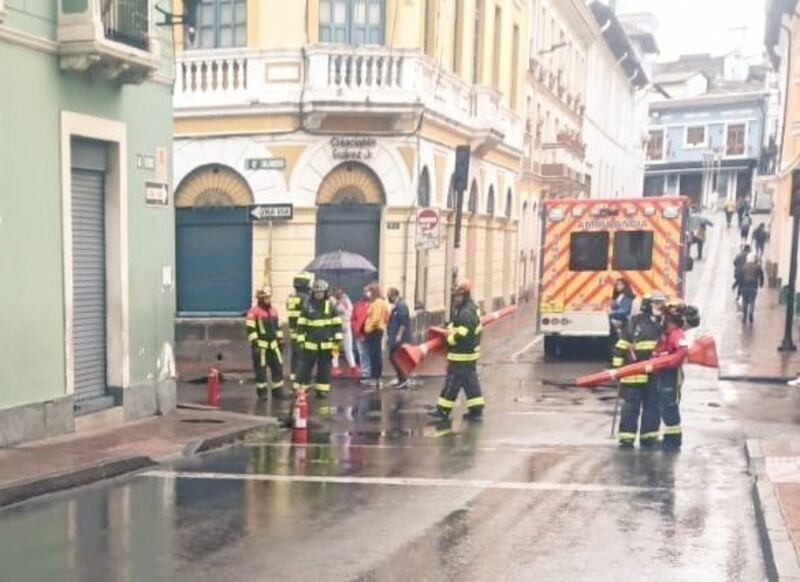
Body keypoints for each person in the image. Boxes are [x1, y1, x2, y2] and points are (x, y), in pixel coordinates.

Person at [612, 292, 665, 449]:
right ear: (647, 305)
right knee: (630, 407)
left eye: (661, 303)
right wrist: (617, 370)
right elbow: (621, 345)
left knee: (653, 406)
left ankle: (649, 437)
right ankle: (627, 438)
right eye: (656, 302)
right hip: (633, 374)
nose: (659, 306)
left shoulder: (665, 323)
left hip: (655, 375)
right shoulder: (635, 323)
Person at [429, 280, 484, 421]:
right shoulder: (467, 308)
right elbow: (456, 324)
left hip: (461, 355)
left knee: (452, 383)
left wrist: (449, 338)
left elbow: (463, 335)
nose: (455, 299)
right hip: (467, 355)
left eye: (458, 296)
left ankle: (443, 410)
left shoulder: (466, 312)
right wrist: (449, 327)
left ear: (464, 295)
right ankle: (476, 409)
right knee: (470, 382)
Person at [651, 301, 690, 451]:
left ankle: (673, 440)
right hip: (664, 374)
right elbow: (661, 350)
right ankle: (670, 438)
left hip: (671, 375)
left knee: (670, 406)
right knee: (665, 406)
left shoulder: (676, 333)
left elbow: (682, 351)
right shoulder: (668, 334)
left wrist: (669, 364)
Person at [295, 279, 343, 397]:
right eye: (316, 292)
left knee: (325, 369)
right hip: (310, 345)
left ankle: (322, 390)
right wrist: (301, 341)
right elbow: (301, 325)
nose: (319, 295)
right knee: (304, 369)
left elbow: (337, 325)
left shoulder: (331, 307)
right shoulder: (307, 306)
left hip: (326, 345)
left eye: (321, 292)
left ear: (325, 293)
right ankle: (302, 389)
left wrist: (337, 342)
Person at [245, 288, 285, 400]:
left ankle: (277, 391)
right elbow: (250, 329)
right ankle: (262, 393)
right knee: (261, 370)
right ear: (261, 299)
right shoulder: (253, 312)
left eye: (269, 298)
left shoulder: (274, 311)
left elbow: (278, 327)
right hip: (261, 346)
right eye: (266, 298)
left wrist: (280, 339)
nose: (268, 300)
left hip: (273, 345)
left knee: (278, 368)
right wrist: (255, 342)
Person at [286, 272, 314, 390]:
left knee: (295, 356)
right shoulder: (306, 298)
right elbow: (308, 314)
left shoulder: (291, 297)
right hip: (303, 333)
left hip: (293, 331)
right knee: (304, 357)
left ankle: (294, 377)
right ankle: (301, 381)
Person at [364, 283, 389, 386]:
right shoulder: (376, 302)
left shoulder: (378, 302)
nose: (366, 293)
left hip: (374, 331)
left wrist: (368, 329)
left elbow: (376, 318)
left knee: (374, 354)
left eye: (368, 291)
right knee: (374, 354)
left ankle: (375, 377)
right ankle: (375, 376)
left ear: (373, 292)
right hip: (375, 330)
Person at [387, 287, 412, 389]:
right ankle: (400, 378)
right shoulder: (396, 306)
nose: (388, 298)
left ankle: (404, 379)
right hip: (394, 337)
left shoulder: (402, 306)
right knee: (393, 357)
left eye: (389, 295)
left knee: (396, 358)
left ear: (394, 295)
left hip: (399, 338)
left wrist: (399, 335)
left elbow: (403, 322)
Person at [331, 287, 357, 377]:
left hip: (346, 324)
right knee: (335, 347)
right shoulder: (331, 300)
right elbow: (338, 310)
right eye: (337, 293)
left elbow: (349, 310)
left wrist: (342, 305)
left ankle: (353, 367)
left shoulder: (346, 299)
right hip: (335, 326)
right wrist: (339, 305)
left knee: (348, 347)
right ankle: (335, 367)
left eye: (340, 293)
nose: (339, 294)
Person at [352, 287, 372, 382]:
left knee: (370, 353)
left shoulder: (374, 304)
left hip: (371, 334)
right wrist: (355, 327)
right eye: (364, 291)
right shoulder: (358, 304)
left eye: (367, 291)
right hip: (359, 333)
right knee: (362, 354)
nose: (365, 293)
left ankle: (371, 373)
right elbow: (353, 317)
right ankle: (365, 373)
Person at [609, 278, 634, 351]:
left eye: (620, 285)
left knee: (620, 343)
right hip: (616, 322)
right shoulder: (620, 296)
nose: (617, 286)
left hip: (623, 322)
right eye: (617, 285)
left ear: (625, 286)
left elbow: (624, 311)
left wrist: (613, 313)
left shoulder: (627, 297)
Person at [740, 253, 765, 324]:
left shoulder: (744, 267)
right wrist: (761, 283)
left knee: (744, 301)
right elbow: (761, 275)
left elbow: (740, 277)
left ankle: (744, 316)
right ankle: (751, 313)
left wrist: (740, 286)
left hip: (745, 286)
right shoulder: (757, 267)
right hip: (753, 286)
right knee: (752, 301)